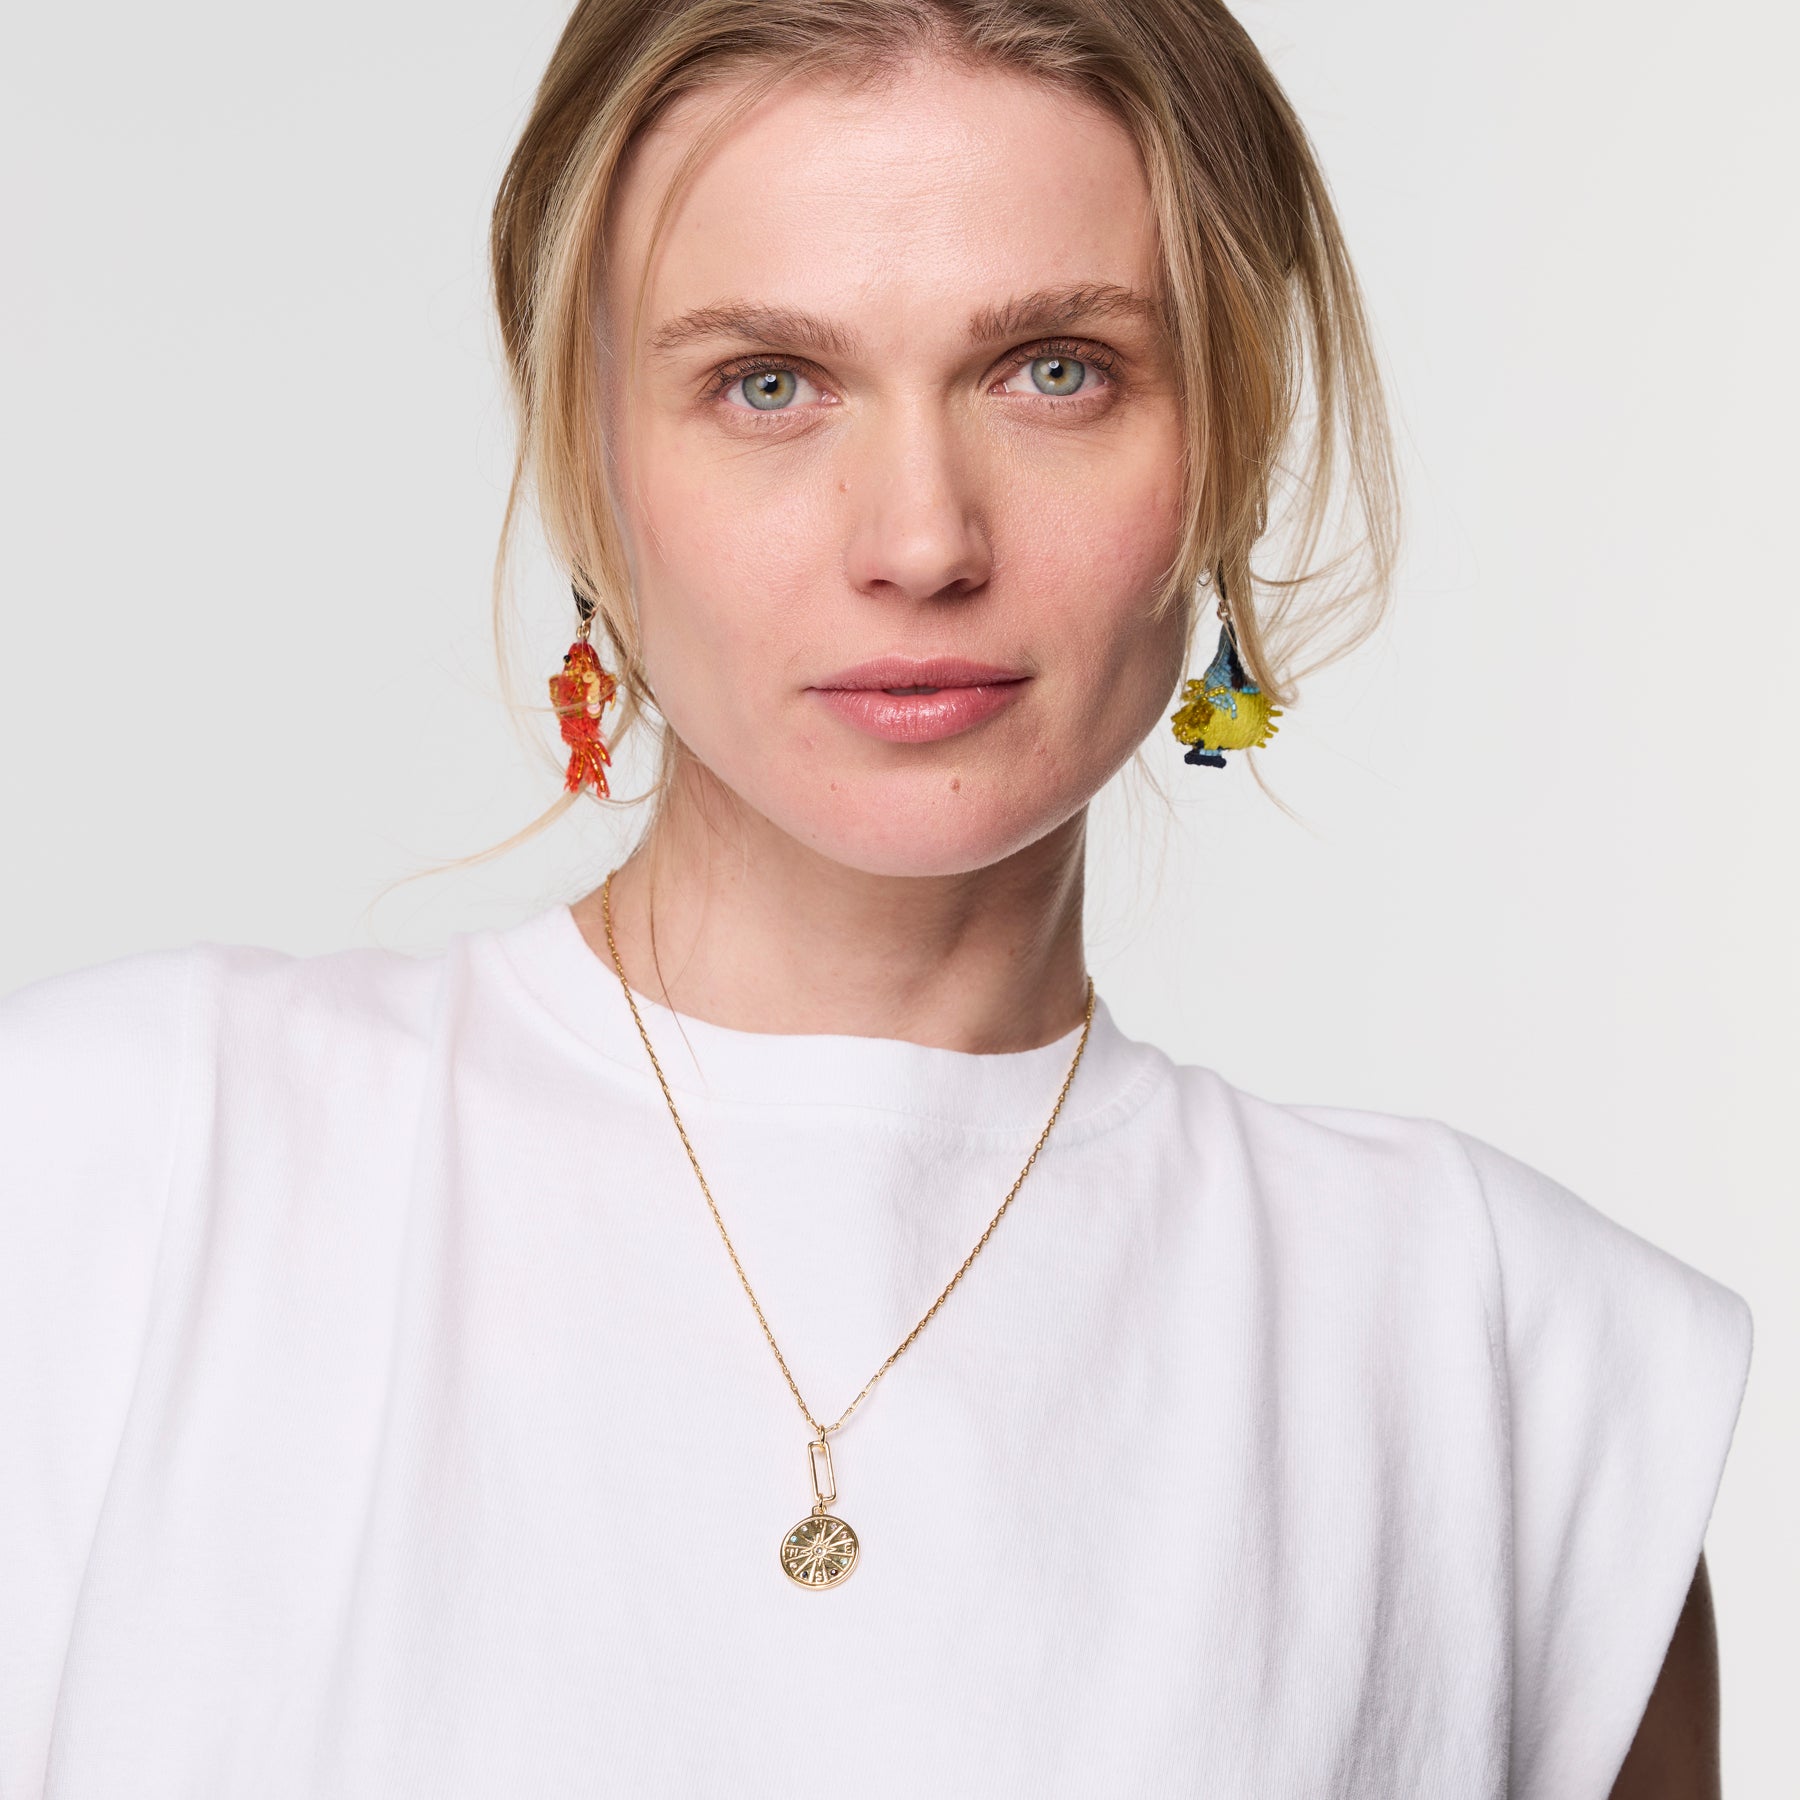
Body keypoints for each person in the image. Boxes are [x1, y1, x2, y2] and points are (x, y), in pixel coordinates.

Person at [0, 1, 1751, 1795]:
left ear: (1230, 431)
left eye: (1056, 369)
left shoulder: (1511, 1359)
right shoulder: (104, 1171)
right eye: (769, 382)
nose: (920, 540)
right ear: (589, 450)